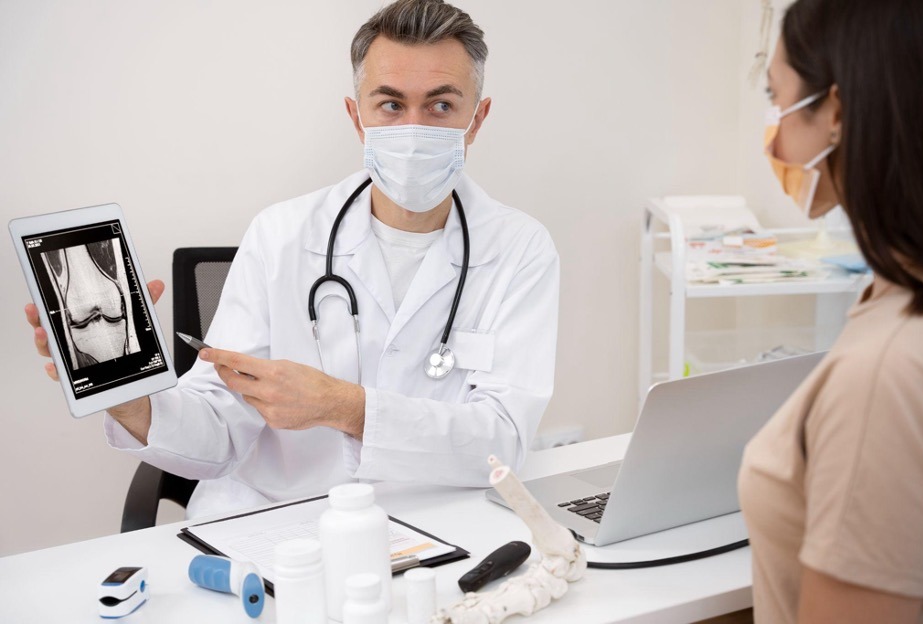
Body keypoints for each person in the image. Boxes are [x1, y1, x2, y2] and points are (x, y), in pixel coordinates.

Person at [25, 0, 559, 518]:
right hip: (276, 522)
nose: (412, 130)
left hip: (439, 528)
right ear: (357, 117)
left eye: (441, 106)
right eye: (391, 105)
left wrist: (343, 406)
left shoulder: (519, 249)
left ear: (477, 118)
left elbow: (502, 442)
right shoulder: (281, 234)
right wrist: (131, 402)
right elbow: (219, 431)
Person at [738, 0, 923, 622]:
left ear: (837, 113)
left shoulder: (884, 373)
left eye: (778, 98)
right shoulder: (897, 293)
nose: (773, 130)